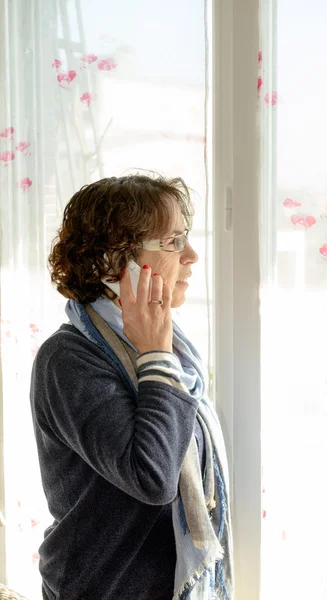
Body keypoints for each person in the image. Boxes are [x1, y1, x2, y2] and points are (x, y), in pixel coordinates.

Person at [29, 174, 234, 600]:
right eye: (173, 242)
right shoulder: (67, 360)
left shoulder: (174, 347)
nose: (192, 256)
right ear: (113, 261)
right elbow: (153, 477)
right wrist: (156, 355)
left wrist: (159, 352)